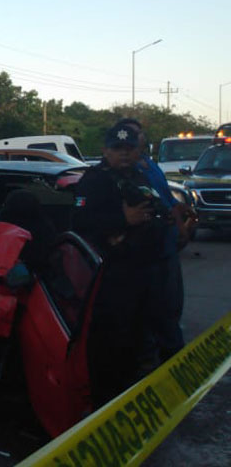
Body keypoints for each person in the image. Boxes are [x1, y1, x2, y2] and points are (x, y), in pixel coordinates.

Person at [73, 122, 167, 406]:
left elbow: (156, 210)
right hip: (111, 276)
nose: (123, 154)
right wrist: (122, 220)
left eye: (129, 149)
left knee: (139, 340)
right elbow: (79, 222)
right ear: (105, 150)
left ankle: (131, 397)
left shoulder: (139, 176)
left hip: (144, 271)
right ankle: (106, 403)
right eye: (117, 149)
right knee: (111, 344)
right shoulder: (93, 180)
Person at [116, 117, 193, 363]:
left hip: (167, 247)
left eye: (137, 135)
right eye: (129, 136)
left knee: (171, 308)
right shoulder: (129, 173)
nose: (136, 139)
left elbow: (162, 199)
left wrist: (178, 210)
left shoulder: (149, 165)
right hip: (150, 252)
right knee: (158, 316)